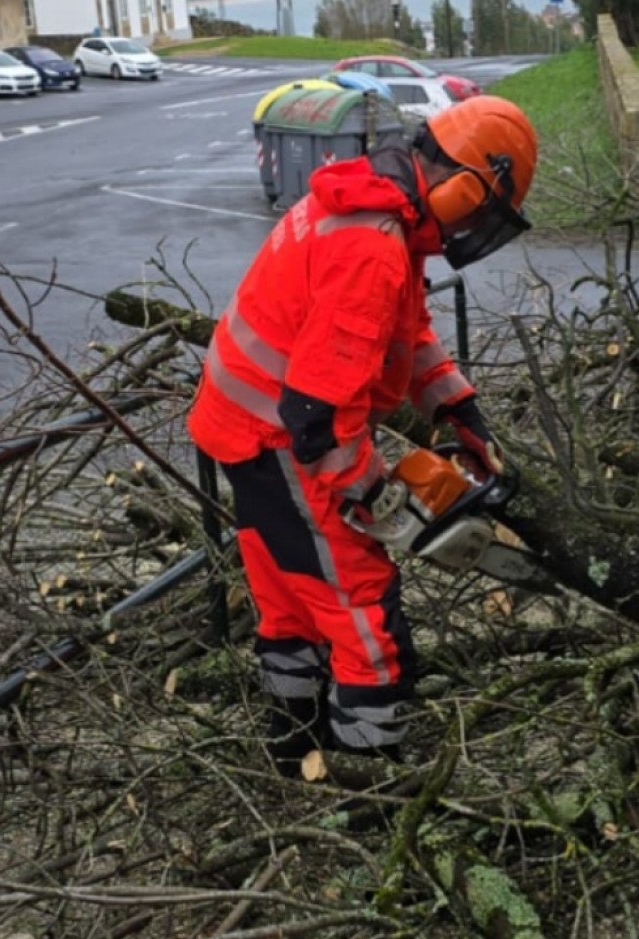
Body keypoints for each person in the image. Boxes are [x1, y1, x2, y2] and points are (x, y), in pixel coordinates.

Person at [187, 95, 538, 775]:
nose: (476, 225)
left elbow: (406, 335)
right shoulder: (371, 248)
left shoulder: (381, 213)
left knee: (290, 598)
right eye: (483, 210)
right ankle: (367, 784)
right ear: (464, 187)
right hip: (278, 437)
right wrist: (377, 502)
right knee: (363, 612)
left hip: (241, 425)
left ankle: (294, 748)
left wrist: (457, 410)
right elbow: (318, 417)